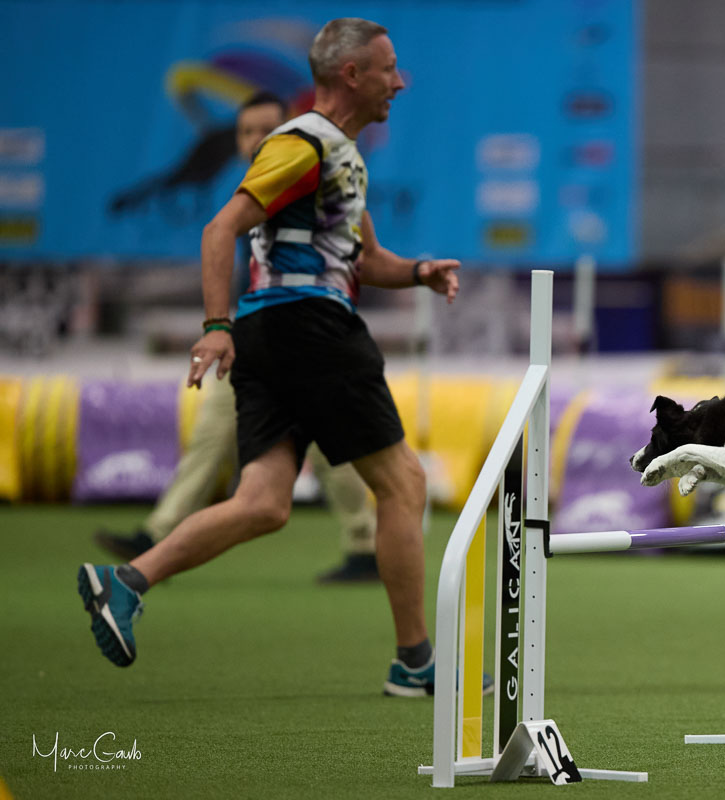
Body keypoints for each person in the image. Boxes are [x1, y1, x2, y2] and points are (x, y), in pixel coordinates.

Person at [77, 18, 485, 698]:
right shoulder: (303, 144)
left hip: (276, 335)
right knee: (404, 485)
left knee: (264, 504)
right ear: (351, 73)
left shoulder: (341, 154)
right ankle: (415, 663)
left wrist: (419, 271)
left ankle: (126, 583)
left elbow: (365, 259)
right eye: (389, 68)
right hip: (311, 328)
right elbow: (220, 229)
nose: (401, 81)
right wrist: (214, 325)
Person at [94, 91, 381, 584]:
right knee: (216, 435)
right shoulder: (253, 189)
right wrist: (224, 326)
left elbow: (347, 256)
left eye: (266, 130)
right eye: (246, 132)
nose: (255, 141)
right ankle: (158, 535)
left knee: (328, 451)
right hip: (257, 338)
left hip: (305, 341)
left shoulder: (305, 181)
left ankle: (366, 544)